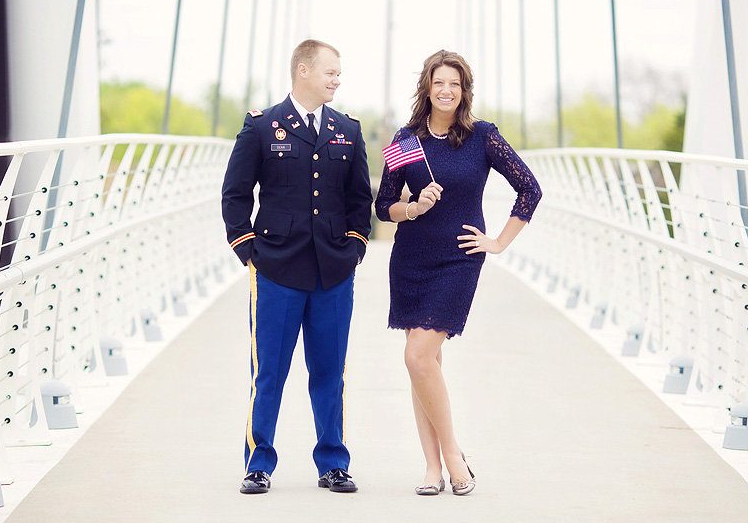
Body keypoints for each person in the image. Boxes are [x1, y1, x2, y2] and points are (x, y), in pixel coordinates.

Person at [374, 49, 542, 496]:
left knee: (416, 357)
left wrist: (499, 241)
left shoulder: (482, 136)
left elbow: (530, 189)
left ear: (464, 90)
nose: (446, 90)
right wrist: (412, 207)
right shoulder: (405, 139)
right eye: (439, 82)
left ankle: (452, 455)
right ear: (427, 87)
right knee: (423, 362)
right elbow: (382, 207)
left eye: (455, 83)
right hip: (411, 259)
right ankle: (432, 469)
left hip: (459, 258)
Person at [222, 39, 373, 494]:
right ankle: (258, 463)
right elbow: (235, 194)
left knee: (329, 371)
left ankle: (333, 462)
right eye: (330, 72)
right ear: (303, 70)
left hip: (332, 271)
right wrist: (249, 249)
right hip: (275, 271)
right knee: (269, 371)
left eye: (339, 73)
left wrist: (355, 249)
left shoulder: (348, 128)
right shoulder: (263, 126)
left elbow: (358, 199)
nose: (337, 80)